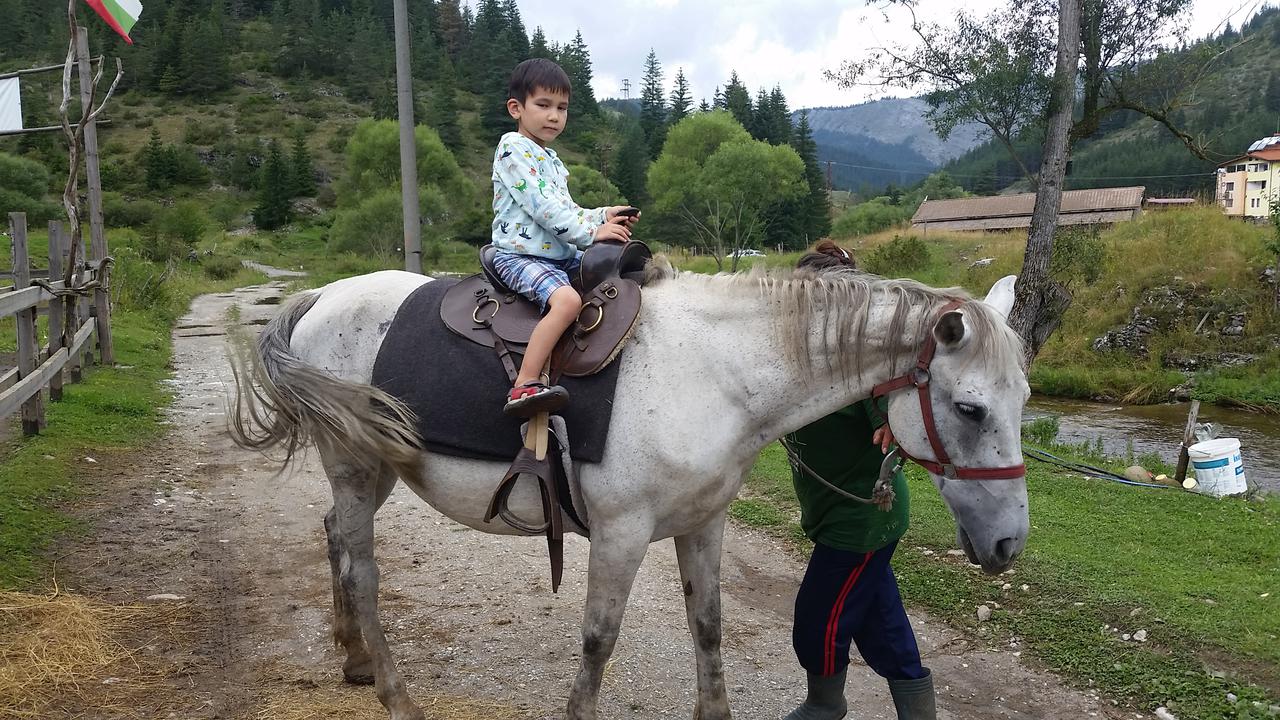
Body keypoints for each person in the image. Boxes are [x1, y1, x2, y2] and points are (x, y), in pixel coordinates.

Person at [783, 240, 936, 720]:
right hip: (845, 515)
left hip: (862, 518)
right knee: (881, 621)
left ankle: (823, 706)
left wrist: (895, 425)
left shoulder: (863, 369)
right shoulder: (803, 357)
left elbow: (888, 412)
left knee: (819, 622)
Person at [490, 58, 638, 417]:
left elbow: (565, 208)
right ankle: (524, 384)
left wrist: (603, 216)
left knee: (620, 275)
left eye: (562, 108)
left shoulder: (552, 160)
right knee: (568, 303)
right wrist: (592, 232)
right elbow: (544, 208)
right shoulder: (513, 148)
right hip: (519, 255)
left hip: (556, 253)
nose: (554, 116)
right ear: (516, 108)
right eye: (543, 105)